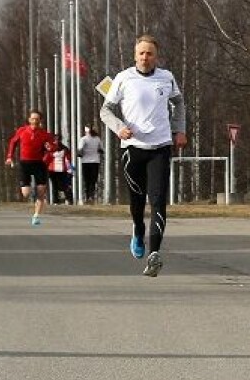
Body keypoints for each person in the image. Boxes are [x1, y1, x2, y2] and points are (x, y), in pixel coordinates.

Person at [101, 34, 187, 277]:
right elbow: (105, 110)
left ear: (156, 57)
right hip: (133, 149)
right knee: (137, 203)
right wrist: (119, 128)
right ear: (135, 55)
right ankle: (138, 230)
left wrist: (179, 129)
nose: (145, 57)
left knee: (158, 201)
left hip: (160, 147)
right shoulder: (123, 78)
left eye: (150, 53)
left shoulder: (166, 77)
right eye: (141, 53)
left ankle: (154, 254)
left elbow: (179, 103)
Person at [6, 110, 56, 225]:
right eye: (33, 119)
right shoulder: (22, 130)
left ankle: (36, 216)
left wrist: (50, 147)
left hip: (39, 163)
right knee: (26, 193)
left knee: (41, 191)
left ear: (40, 121)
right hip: (25, 163)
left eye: (37, 119)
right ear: (29, 120)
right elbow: (13, 143)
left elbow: (53, 147)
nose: (35, 121)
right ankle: (31, 190)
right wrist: (10, 156)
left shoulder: (45, 134)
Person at [78, 125, 104, 204]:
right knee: (93, 180)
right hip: (95, 162)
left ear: (86, 131)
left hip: (85, 162)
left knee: (86, 181)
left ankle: (86, 197)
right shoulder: (97, 139)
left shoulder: (83, 139)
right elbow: (101, 149)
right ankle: (91, 197)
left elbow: (80, 149)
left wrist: (80, 153)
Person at [44, 134, 73, 205]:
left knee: (63, 185)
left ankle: (67, 200)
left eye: (57, 139)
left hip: (61, 170)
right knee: (56, 185)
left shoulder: (64, 148)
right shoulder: (50, 148)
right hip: (53, 170)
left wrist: (70, 169)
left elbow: (68, 159)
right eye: (55, 140)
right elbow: (45, 159)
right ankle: (56, 201)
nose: (56, 141)